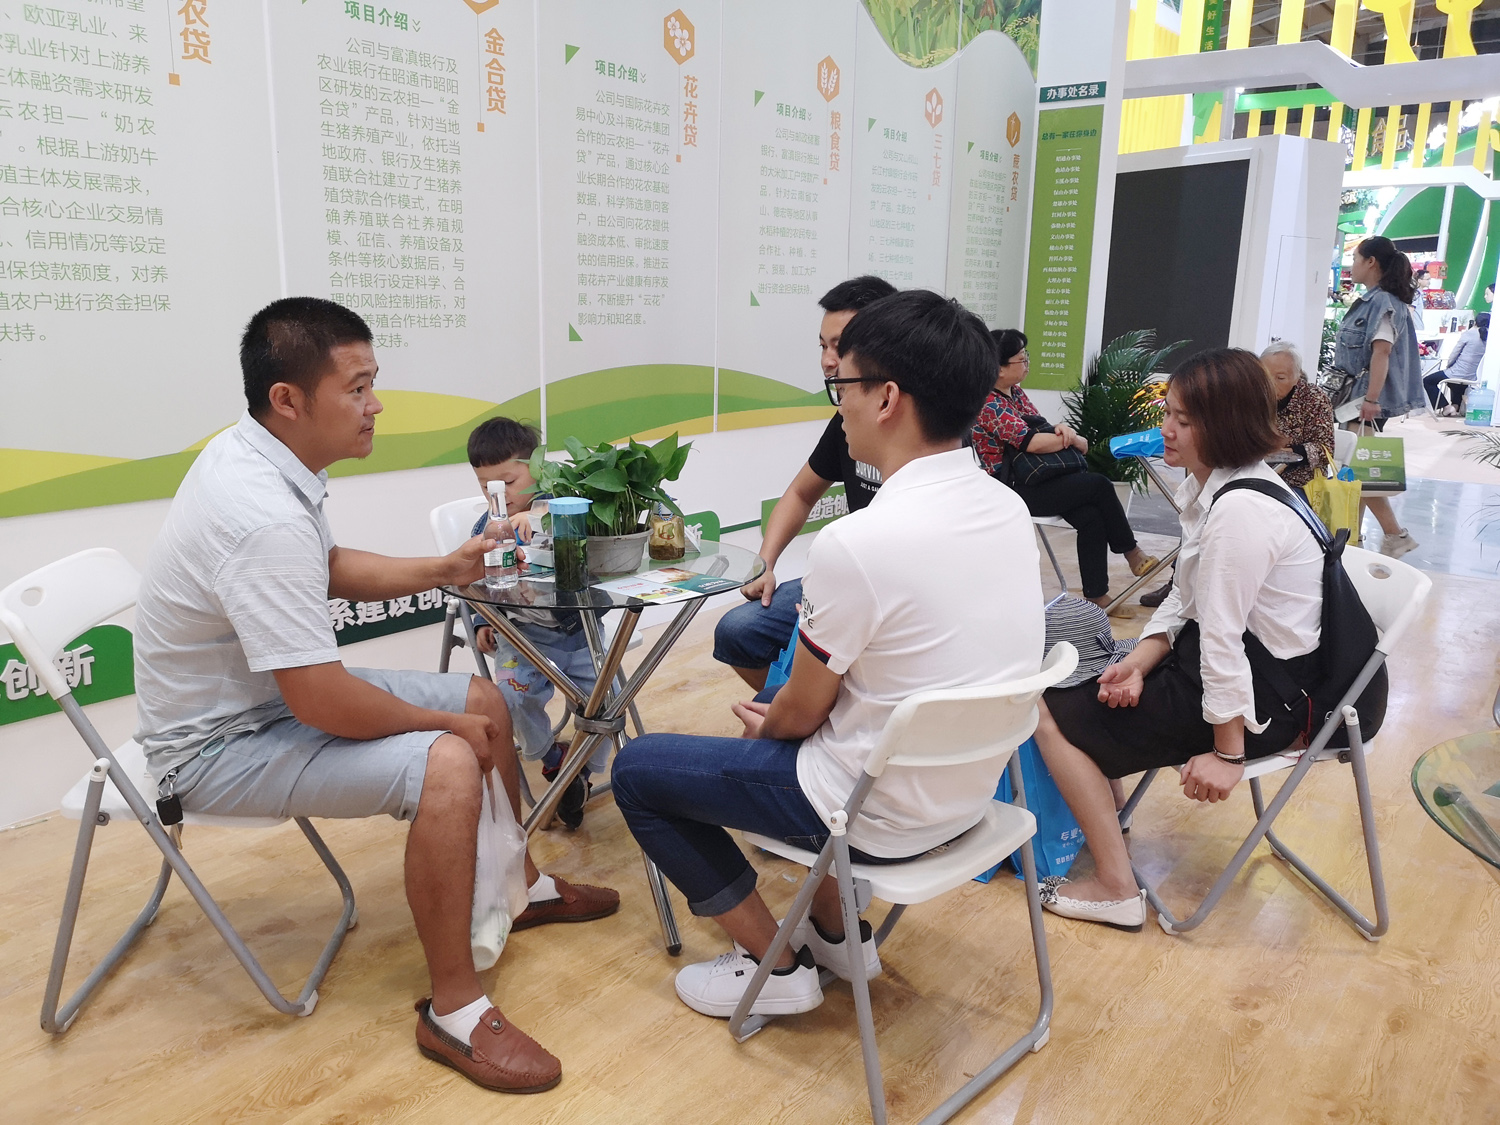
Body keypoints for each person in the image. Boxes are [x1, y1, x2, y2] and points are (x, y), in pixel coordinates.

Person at [132, 297, 618, 1095]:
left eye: (372, 383)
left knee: (487, 701)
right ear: (289, 399)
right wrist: (442, 723)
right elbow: (322, 700)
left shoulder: (264, 457)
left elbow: (322, 567)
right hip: (216, 747)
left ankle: (519, 885)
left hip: (268, 703)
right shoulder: (257, 512)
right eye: (357, 388)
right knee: (451, 759)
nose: (376, 404)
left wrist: (445, 568)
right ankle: (455, 1009)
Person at [611, 290, 1044, 1017]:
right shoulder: (1006, 508)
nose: (837, 403)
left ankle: (775, 966)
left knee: (638, 770)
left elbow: (802, 713)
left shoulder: (861, 542)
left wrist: (772, 722)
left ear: (887, 398)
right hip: (968, 801)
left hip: (870, 813)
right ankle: (842, 936)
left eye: (842, 385)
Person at [1031, 349, 1323, 932]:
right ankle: (1109, 809)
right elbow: (1186, 601)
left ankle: (1116, 887)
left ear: (1226, 426)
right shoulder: (1224, 489)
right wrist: (1139, 661)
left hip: (1265, 705)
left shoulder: (1239, 511)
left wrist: (1228, 754)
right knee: (1086, 671)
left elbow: (1221, 640)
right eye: (1168, 413)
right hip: (1242, 677)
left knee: (1043, 709)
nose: (1165, 428)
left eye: (1182, 420)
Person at [712, 275, 897, 690]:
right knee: (738, 631)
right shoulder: (845, 421)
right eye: (822, 346)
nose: (828, 361)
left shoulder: (927, 433)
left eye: (840, 346)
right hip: (844, 584)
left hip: (888, 596)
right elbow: (800, 492)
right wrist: (765, 565)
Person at [463, 417, 600, 830]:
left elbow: (591, 554)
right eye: (486, 486)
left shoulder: (564, 509)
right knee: (508, 698)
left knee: (609, 701)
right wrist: (481, 621)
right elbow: (474, 581)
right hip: (520, 638)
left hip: (580, 636)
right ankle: (555, 761)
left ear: (537, 469)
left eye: (508, 482)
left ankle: (582, 771)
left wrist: (542, 514)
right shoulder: (486, 529)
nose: (498, 494)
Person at [970, 328, 1157, 609]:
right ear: (998, 369)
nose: (1027, 362)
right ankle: (1131, 551)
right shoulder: (988, 403)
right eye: (1021, 358)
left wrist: (1062, 433)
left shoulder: (1015, 393)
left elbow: (1043, 428)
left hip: (1037, 478)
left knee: (1091, 516)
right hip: (1011, 488)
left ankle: (1096, 595)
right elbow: (1031, 442)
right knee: (1099, 485)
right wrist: (1072, 439)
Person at [1335, 236, 1426, 559]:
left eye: (1356, 259)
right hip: (1356, 398)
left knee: (1358, 471)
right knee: (1356, 469)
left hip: (1361, 400)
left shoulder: (1382, 303)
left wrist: (1371, 400)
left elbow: (1382, 352)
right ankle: (1351, 537)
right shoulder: (1375, 301)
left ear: (1371, 262)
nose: (1352, 266)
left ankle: (1394, 534)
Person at [1260, 339, 1335, 491]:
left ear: (1297, 377)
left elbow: (1325, 450)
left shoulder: (1313, 398)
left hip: (1299, 483)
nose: (1270, 384)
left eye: (1280, 378)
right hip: (1255, 474)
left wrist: (1284, 454)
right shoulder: (1252, 394)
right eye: (1265, 376)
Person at [1424, 313, 1488, 415]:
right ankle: (1455, 406)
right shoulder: (1491, 337)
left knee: (1427, 381)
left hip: (1459, 372)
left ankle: (1446, 407)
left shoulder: (1469, 333)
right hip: (1475, 376)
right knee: (1456, 382)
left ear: (1475, 322)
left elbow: (1454, 354)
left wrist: (1448, 365)